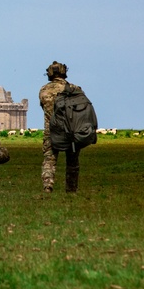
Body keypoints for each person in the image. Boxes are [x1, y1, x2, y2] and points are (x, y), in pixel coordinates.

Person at [39, 61, 80, 193]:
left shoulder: (44, 90)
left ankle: (48, 186)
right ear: (64, 72)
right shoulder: (74, 89)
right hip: (72, 130)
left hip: (51, 130)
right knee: (72, 161)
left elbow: (43, 107)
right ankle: (71, 188)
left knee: (49, 160)